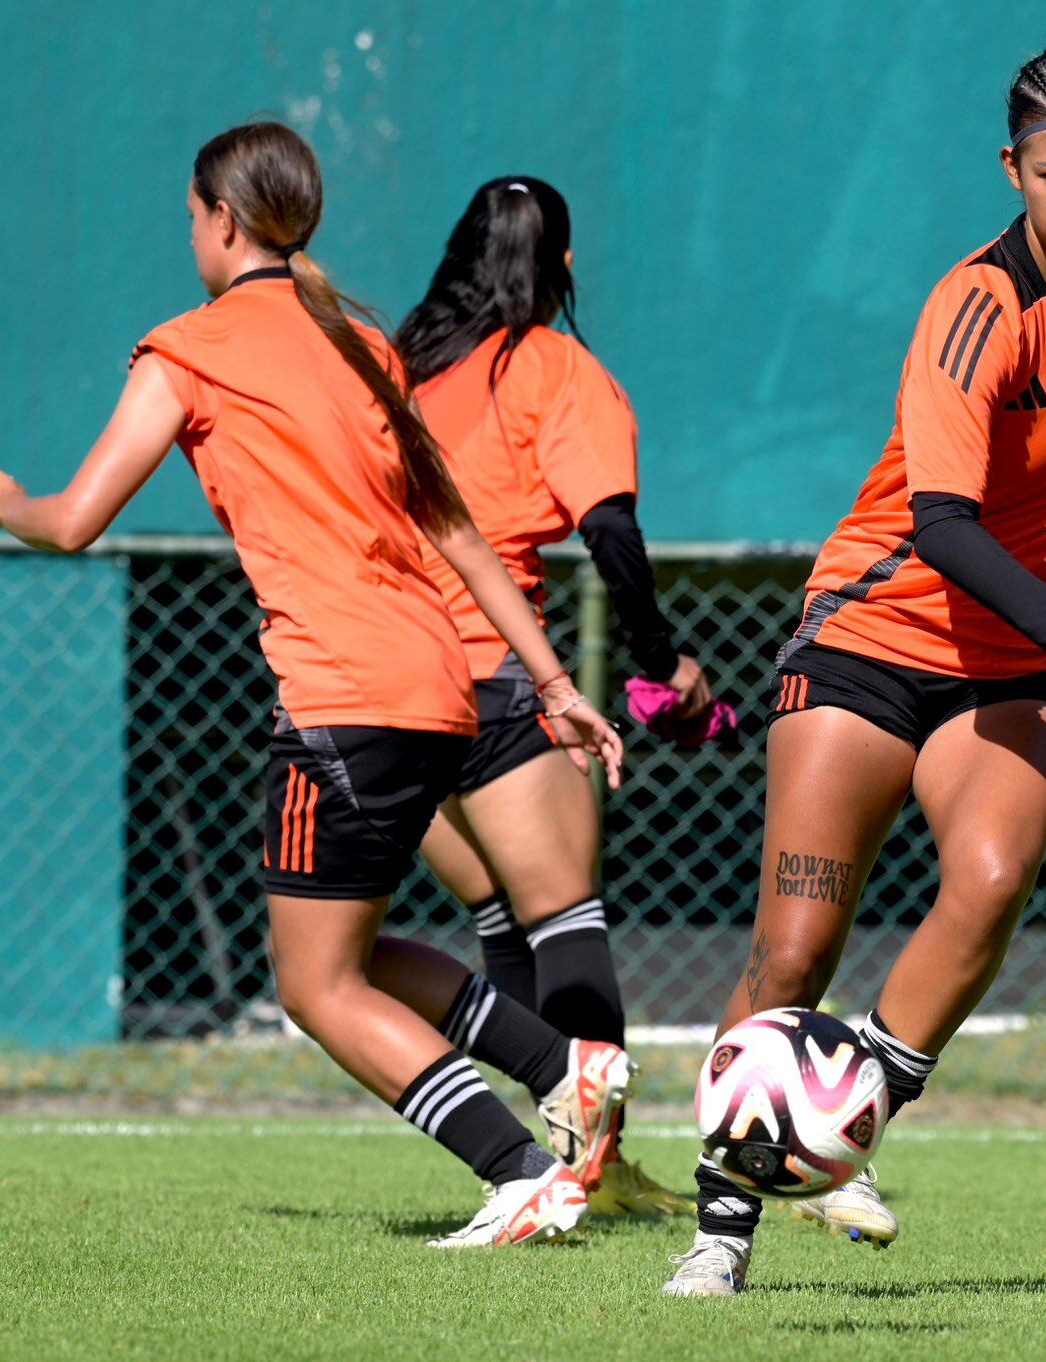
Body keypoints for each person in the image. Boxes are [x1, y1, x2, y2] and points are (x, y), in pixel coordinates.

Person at [0, 123, 634, 1249]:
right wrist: (557, 682)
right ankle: (566, 1066)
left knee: (314, 990)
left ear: (221, 220)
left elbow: (76, 523)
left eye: (190, 216)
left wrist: (9, 501)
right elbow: (458, 532)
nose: (191, 233)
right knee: (353, 955)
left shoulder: (186, 349)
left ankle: (517, 1170)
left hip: (342, 700)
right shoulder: (362, 343)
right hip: (442, 687)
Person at [662, 44, 1046, 1296]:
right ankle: (717, 1233)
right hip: (873, 638)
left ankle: (846, 1123)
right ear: (1010, 169)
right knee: (790, 958)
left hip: (1016, 656)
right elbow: (946, 522)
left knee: (992, 880)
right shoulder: (971, 304)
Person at [395, 175, 712, 1216]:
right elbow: (608, 530)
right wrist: (660, 657)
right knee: (564, 917)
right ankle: (595, 1168)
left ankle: (543, 1163)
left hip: (383, 677)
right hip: (493, 673)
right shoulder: (553, 368)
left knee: (496, 921)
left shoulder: (403, 371)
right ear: (563, 266)